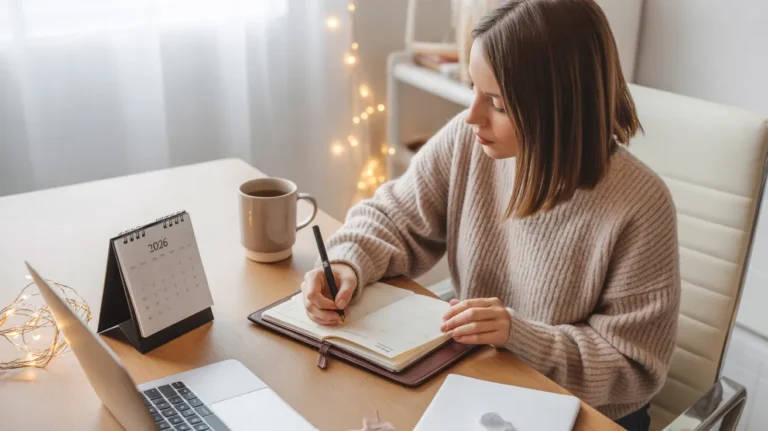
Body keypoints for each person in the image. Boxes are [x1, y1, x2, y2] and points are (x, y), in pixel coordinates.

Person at [306, 1, 680, 430]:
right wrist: (345, 260)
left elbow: (631, 369)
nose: (472, 116)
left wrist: (518, 336)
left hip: (589, 414)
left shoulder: (641, 207)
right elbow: (394, 215)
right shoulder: (470, 144)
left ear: (559, 107)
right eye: (473, 89)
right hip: (483, 382)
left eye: (498, 104)